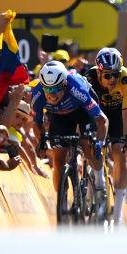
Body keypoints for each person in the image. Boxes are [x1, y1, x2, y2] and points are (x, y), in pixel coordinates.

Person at [30, 60, 109, 208]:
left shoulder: (76, 89)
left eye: (56, 89)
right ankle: (62, 203)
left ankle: (99, 182)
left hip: (83, 110)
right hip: (60, 115)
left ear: (65, 84)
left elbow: (102, 120)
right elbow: (36, 124)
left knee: (88, 147)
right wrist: (40, 143)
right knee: (58, 158)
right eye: (48, 89)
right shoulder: (38, 95)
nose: (52, 95)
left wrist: (99, 142)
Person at [87, 47, 127, 223]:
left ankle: (118, 213)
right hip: (97, 113)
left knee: (120, 154)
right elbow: (84, 110)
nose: (112, 79)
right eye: (107, 75)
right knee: (91, 148)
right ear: (98, 72)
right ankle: (95, 181)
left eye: (115, 74)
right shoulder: (90, 77)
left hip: (117, 114)